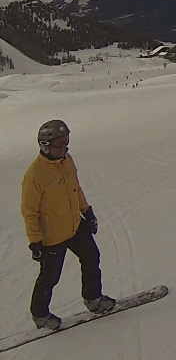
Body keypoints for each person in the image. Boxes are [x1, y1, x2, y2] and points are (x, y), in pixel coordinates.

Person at [22, 120, 115, 330]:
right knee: (50, 277)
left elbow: (75, 189)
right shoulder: (34, 175)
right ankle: (40, 315)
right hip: (52, 236)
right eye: (60, 144)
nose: (64, 148)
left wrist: (87, 211)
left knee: (91, 257)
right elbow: (29, 212)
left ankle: (93, 298)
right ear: (45, 145)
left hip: (75, 226)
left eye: (67, 143)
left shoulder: (67, 161)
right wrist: (35, 241)